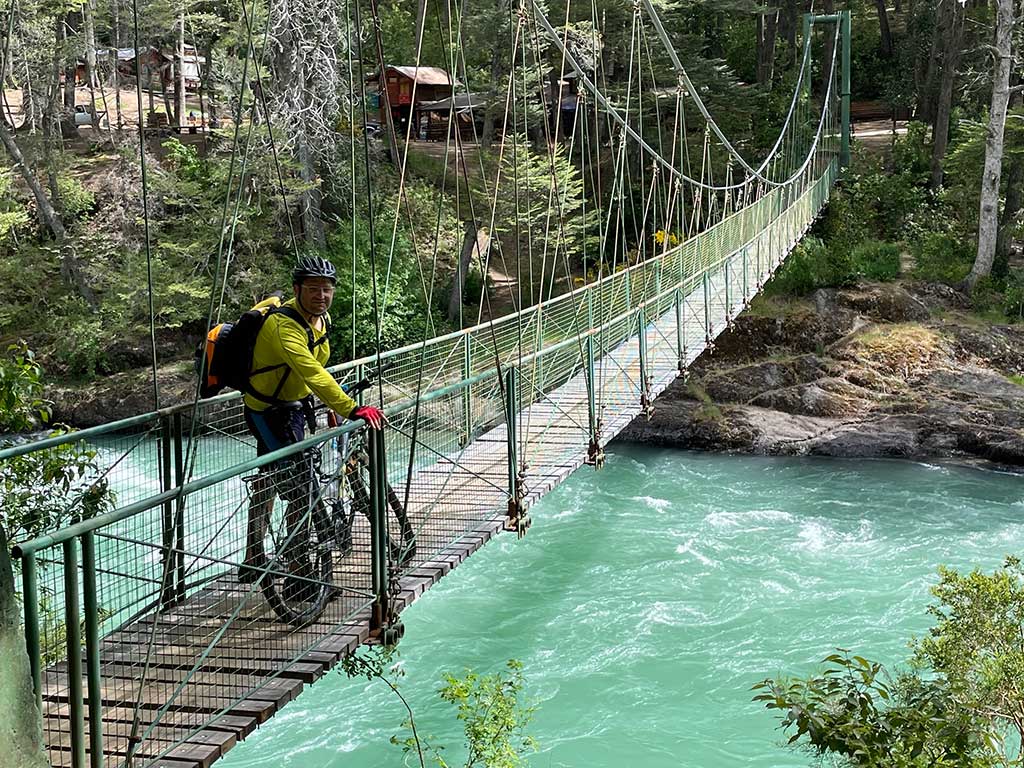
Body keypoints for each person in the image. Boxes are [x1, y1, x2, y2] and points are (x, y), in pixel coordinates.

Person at [239, 255, 384, 580]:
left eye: (326, 289)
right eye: (313, 289)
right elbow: (313, 373)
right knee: (300, 488)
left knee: (272, 482)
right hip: (267, 412)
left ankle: (253, 558)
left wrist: (332, 409)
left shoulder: (320, 319)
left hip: (294, 408)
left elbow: (316, 373)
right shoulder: (283, 326)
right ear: (297, 289)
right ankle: (297, 572)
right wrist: (352, 408)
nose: (321, 295)